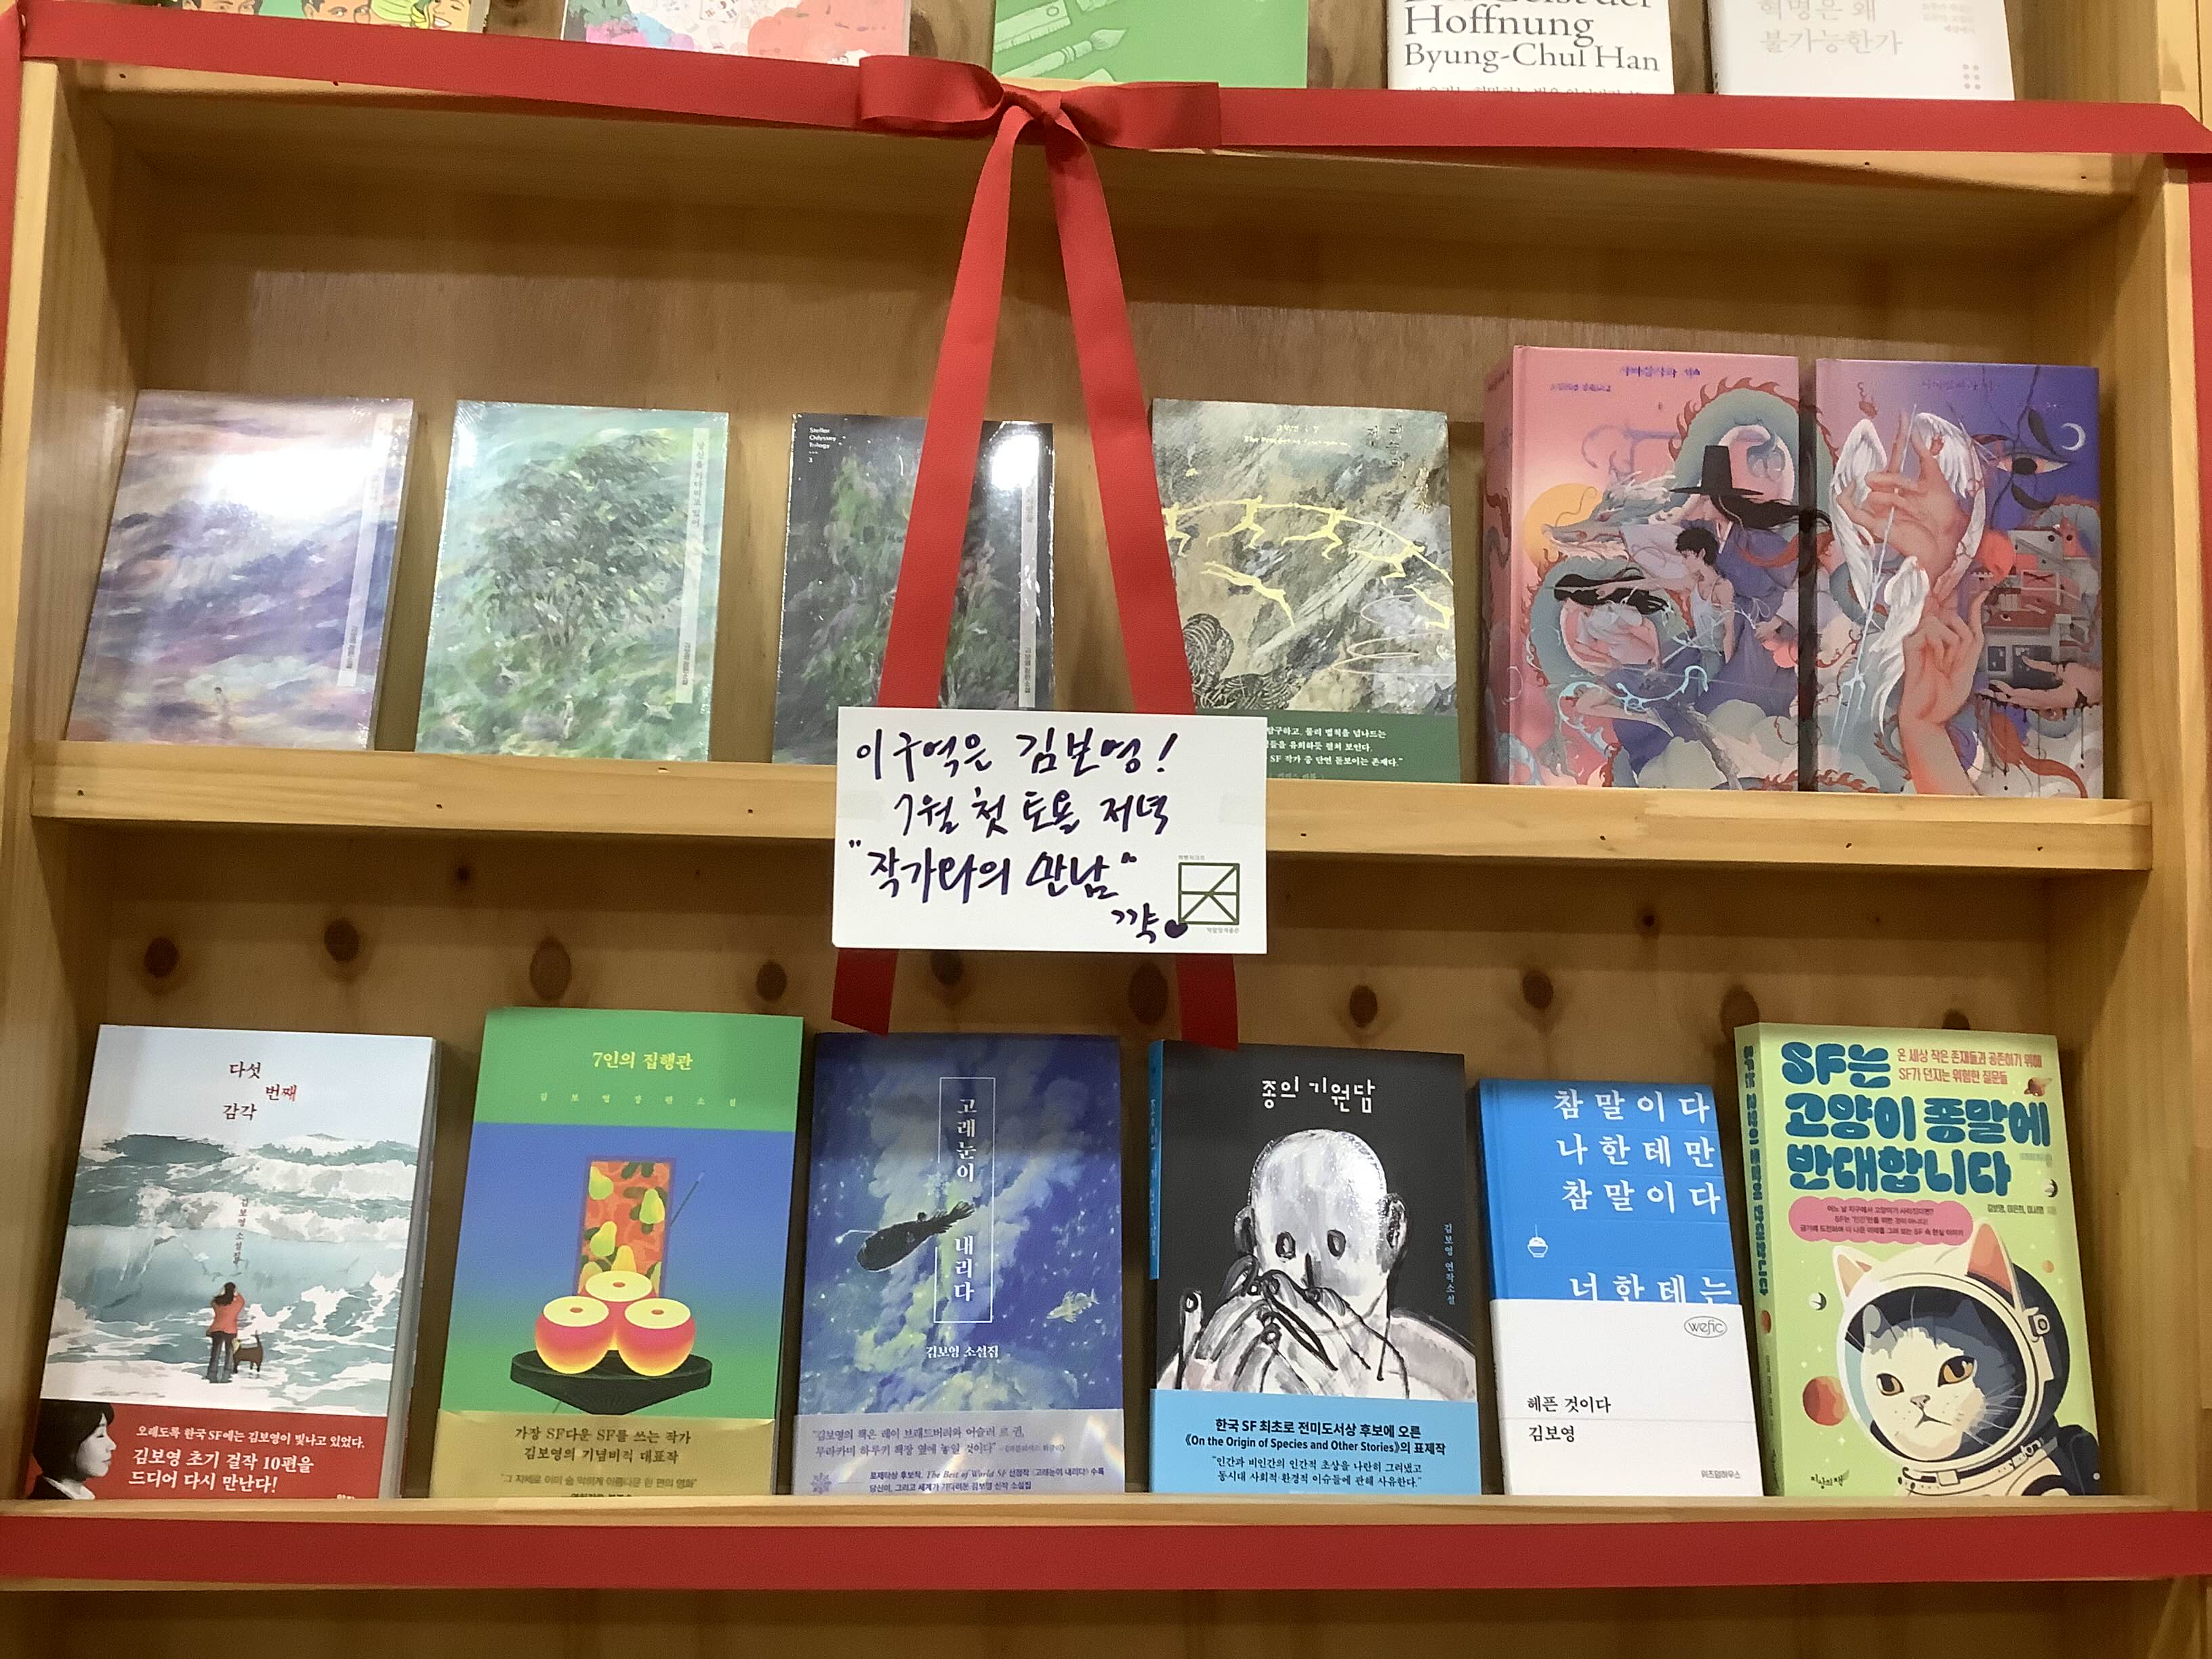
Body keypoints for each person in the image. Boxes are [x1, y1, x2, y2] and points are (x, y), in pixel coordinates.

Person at [27, 1401, 115, 1499]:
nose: (112, 1446)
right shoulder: (47, 1501)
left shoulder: (83, 1498)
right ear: (67, 1442)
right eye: (100, 1435)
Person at [207, 1282, 244, 1382]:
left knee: (215, 1353)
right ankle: (227, 1375)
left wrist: (221, 1293)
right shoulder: (237, 1303)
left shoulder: (217, 1302)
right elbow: (242, 1301)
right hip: (231, 1330)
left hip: (217, 1329)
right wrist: (236, 1293)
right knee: (230, 1354)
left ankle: (212, 1374)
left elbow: (212, 1302)